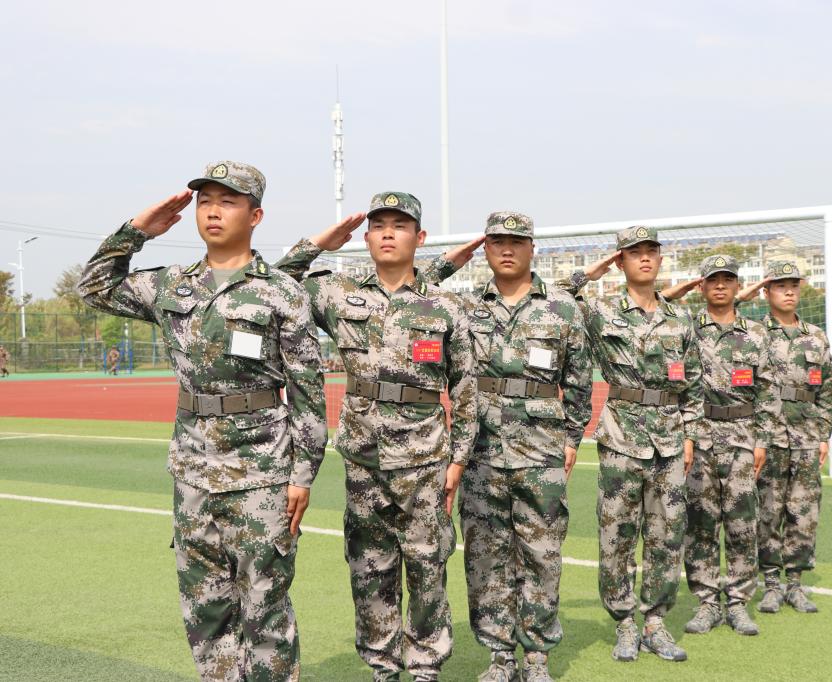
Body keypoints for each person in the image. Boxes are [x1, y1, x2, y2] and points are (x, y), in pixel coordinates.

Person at [77, 161, 328, 681]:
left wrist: (303, 475)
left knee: (264, 606)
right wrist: (137, 231)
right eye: (205, 201)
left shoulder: (282, 292)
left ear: (255, 215)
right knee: (204, 606)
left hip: (261, 470)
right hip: (193, 467)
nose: (213, 211)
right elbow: (94, 286)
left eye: (228, 201)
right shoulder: (171, 285)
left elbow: (308, 391)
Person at [274, 192, 478, 682]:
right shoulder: (338, 294)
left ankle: (425, 666)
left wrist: (458, 460)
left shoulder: (446, 305)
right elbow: (275, 285)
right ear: (365, 238)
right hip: (363, 459)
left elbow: (467, 389)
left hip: (425, 459)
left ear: (419, 238)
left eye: (400, 225)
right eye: (379, 225)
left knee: (427, 566)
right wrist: (318, 243)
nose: (388, 233)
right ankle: (382, 667)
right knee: (369, 568)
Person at [422, 211, 593, 682]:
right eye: (496, 241)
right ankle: (499, 656)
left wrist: (572, 439)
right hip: (479, 452)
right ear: (485, 248)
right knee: (485, 555)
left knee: (542, 553)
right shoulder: (464, 307)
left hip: (541, 453)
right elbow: (417, 285)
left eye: (517, 241)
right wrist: (452, 259)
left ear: (532, 247)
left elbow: (580, 383)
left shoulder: (563, 309)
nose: (507, 249)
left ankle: (536, 656)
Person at [553, 226, 700, 664]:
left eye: (652, 251)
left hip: (669, 439)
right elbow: (556, 298)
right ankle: (624, 623)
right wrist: (592, 271)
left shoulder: (680, 319)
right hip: (621, 438)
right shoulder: (601, 312)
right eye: (635, 253)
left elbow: (693, 384)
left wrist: (690, 433)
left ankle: (654, 622)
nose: (645, 258)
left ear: (660, 258)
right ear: (621, 261)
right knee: (616, 535)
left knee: (667, 535)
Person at [672, 254, 781, 637]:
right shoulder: (686, 329)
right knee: (700, 523)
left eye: (727, 279)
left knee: (742, 524)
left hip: (742, 437)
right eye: (713, 279)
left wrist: (762, 440)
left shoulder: (757, 334)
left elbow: (768, 390)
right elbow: (658, 303)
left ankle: (736, 602)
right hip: (699, 436)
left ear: (737, 286)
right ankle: (706, 602)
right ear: (701, 286)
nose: (720, 285)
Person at [736, 261, 832, 614]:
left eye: (794, 285)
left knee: (804, 511)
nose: (789, 291)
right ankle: (770, 583)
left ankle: (795, 582)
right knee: (767, 510)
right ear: (766, 292)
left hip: (807, 435)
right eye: (780, 286)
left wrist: (823, 433)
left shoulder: (816, 336)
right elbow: (723, 307)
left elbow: (829, 390)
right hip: (769, 436)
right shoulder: (754, 333)